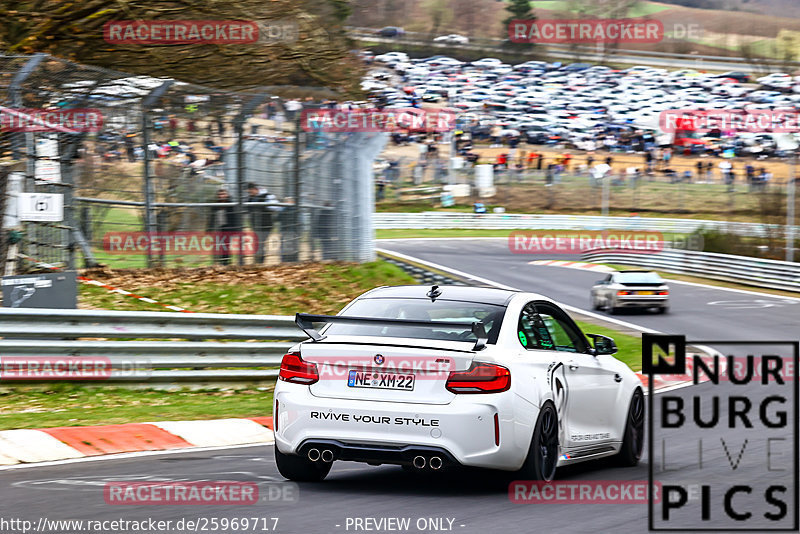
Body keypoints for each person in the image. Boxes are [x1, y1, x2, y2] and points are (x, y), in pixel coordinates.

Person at [246, 182, 278, 264]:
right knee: (258, 242)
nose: (250, 193)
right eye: (249, 192)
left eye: (251, 191)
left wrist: (267, 206)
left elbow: (275, 207)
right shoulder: (250, 198)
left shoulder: (267, 196)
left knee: (260, 242)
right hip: (255, 225)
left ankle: (259, 261)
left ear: (256, 189)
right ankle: (258, 260)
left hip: (266, 224)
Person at [207, 188, 240, 266]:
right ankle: (218, 261)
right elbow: (211, 218)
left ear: (227, 195)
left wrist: (235, 230)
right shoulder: (215, 205)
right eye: (220, 194)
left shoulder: (231, 205)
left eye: (223, 194)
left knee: (225, 246)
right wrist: (208, 229)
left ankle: (225, 262)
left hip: (228, 228)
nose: (221, 196)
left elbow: (235, 218)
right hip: (218, 228)